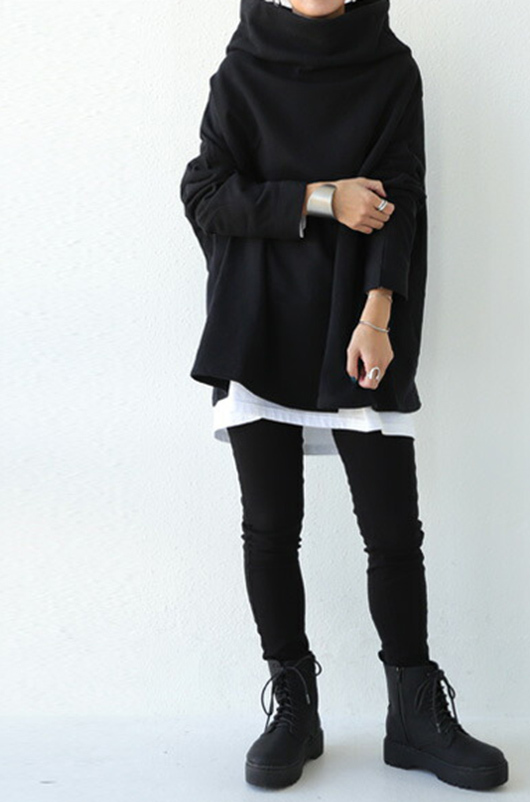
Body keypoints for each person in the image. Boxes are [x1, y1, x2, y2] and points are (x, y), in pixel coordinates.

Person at [179, 0, 509, 792]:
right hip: (257, 318)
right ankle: (294, 707)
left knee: (393, 531)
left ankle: (413, 715)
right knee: (270, 527)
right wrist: (320, 197)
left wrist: (378, 314)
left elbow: (403, 198)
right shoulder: (242, 69)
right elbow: (204, 193)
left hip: (353, 319)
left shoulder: (390, 68)